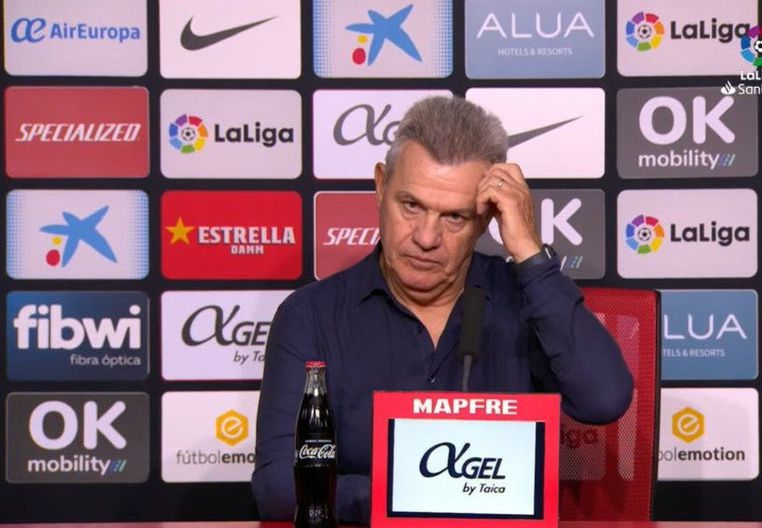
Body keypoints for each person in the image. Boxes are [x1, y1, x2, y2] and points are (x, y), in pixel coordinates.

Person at [252, 96, 633, 524]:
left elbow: (605, 400)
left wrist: (529, 252)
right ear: (381, 186)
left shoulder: (526, 303)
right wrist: (411, 494)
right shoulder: (310, 316)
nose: (426, 237)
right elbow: (277, 484)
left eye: (454, 217)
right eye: (411, 205)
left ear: (486, 219)